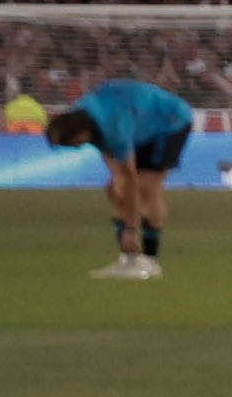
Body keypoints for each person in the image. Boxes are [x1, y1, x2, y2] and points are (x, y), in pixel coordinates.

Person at [45, 78, 197, 279]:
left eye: (73, 144)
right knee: (115, 189)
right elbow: (118, 173)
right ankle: (129, 260)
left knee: (146, 189)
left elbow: (130, 178)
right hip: (139, 125)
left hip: (169, 123)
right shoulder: (83, 118)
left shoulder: (112, 126)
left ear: (80, 133)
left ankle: (150, 262)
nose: (77, 148)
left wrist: (131, 228)